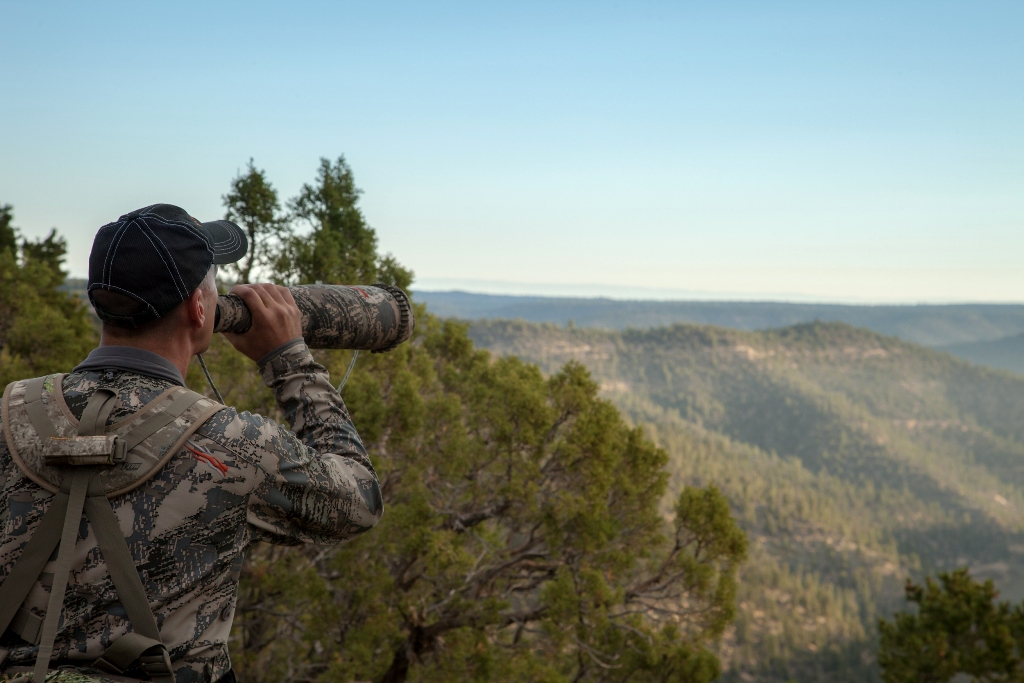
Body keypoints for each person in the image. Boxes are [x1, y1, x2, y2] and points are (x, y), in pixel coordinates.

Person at [0, 204, 383, 682]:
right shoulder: (234, 444)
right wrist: (290, 362)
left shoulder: (10, 410)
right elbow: (360, 501)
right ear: (200, 309)